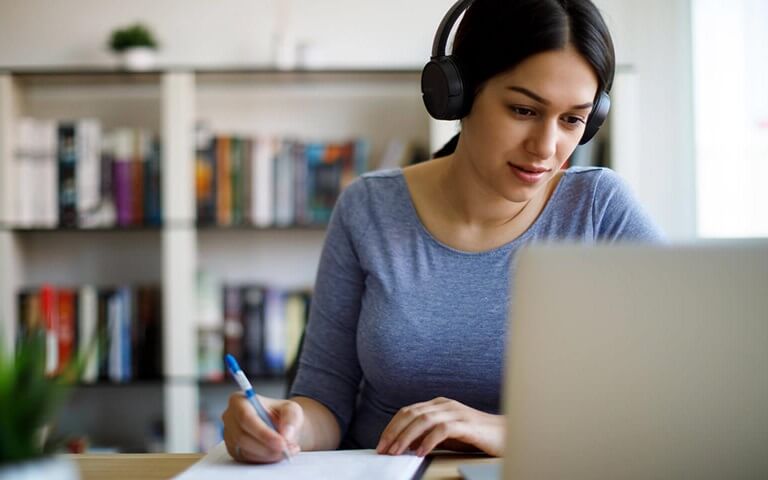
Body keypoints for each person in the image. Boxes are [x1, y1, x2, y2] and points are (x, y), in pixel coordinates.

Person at [222, 0, 664, 464]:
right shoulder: (368, 208)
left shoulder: (598, 209)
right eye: (523, 110)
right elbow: (323, 401)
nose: (546, 148)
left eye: (573, 119)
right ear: (458, 93)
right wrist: (284, 423)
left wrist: (508, 431)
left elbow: (675, 394)